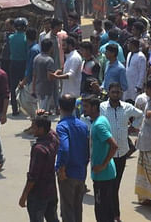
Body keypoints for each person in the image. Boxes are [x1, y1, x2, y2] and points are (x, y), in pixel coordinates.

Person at [100, 82, 142, 220]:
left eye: (118, 92)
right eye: (113, 92)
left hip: (122, 153)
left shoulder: (127, 107)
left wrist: (133, 127)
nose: (116, 95)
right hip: (106, 153)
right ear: (109, 92)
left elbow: (141, 115)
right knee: (108, 186)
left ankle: (114, 215)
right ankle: (113, 215)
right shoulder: (102, 108)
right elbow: (88, 119)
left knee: (115, 185)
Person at [81, 95, 118, 222]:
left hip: (103, 175)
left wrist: (103, 165)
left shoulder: (98, 125)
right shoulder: (101, 120)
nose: (83, 109)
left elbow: (114, 146)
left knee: (102, 213)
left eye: (86, 106)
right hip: (104, 174)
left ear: (94, 107)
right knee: (106, 210)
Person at [18, 115, 59, 222]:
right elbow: (51, 131)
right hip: (51, 190)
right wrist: (43, 117)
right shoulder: (53, 139)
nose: (32, 129)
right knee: (53, 218)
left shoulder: (38, 149)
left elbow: (33, 176)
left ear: (41, 129)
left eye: (34, 127)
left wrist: (24, 195)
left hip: (38, 194)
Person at [55, 93, 89, 222]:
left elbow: (64, 148)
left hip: (68, 174)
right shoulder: (83, 126)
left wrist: (62, 169)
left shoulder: (61, 127)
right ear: (75, 107)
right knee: (77, 207)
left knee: (67, 210)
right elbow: (87, 150)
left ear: (60, 107)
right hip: (80, 172)